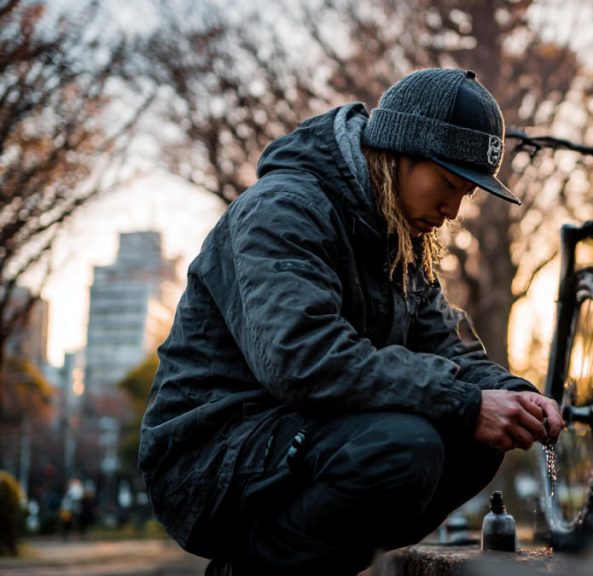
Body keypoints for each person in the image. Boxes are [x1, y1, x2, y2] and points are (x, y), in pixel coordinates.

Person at [139, 68, 565, 575]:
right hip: (208, 454)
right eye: (449, 183)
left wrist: (512, 394)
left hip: (295, 438)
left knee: (477, 441)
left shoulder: (399, 237)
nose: (452, 209)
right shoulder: (283, 209)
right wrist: (465, 402)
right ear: (399, 152)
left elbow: (448, 347)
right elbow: (303, 358)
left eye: (467, 194)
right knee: (405, 449)